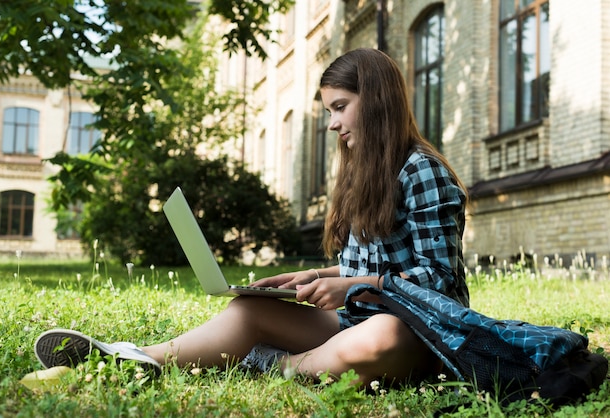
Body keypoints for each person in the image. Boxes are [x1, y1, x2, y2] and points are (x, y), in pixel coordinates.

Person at [34, 48, 469, 386]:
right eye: (329, 112)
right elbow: (365, 265)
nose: (333, 124)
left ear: (375, 101)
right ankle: (133, 359)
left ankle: (275, 362)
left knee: (382, 338)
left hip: (423, 333)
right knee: (248, 309)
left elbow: (438, 282)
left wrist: (353, 286)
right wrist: (306, 276)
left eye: (340, 107)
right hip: (356, 318)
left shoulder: (421, 170)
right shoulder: (365, 172)